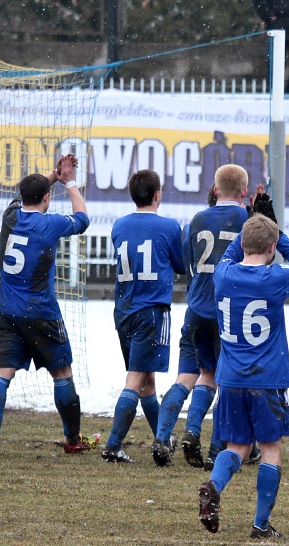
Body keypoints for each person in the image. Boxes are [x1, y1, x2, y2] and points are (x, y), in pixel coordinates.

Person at [197, 206, 289, 538]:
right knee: (271, 448)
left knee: (236, 446)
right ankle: (260, 525)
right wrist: (275, 230)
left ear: (243, 243)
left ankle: (213, 484)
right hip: (267, 379)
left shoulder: (223, 273)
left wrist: (253, 225)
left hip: (230, 378)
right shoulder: (275, 279)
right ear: (273, 248)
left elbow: (238, 250)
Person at [0, 155, 92, 456]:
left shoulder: (10, 215)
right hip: (41, 312)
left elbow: (28, 195)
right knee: (63, 373)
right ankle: (72, 439)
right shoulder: (50, 223)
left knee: (2, 372)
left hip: (5, 311)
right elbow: (83, 219)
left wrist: (49, 178)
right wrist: (68, 181)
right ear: (46, 198)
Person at [153, 167, 248, 468]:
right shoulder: (247, 222)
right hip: (227, 312)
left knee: (197, 375)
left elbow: (186, 261)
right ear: (244, 192)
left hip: (197, 308)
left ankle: (179, 433)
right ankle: (216, 449)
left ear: (216, 190)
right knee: (227, 381)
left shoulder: (197, 220)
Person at [103, 169, 185, 463]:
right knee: (136, 378)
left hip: (124, 309)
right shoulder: (169, 227)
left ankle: (163, 438)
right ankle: (113, 444)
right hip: (151, 311)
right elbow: (181, 265)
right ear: (158, 195)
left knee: (146, 379)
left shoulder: (119, 226)